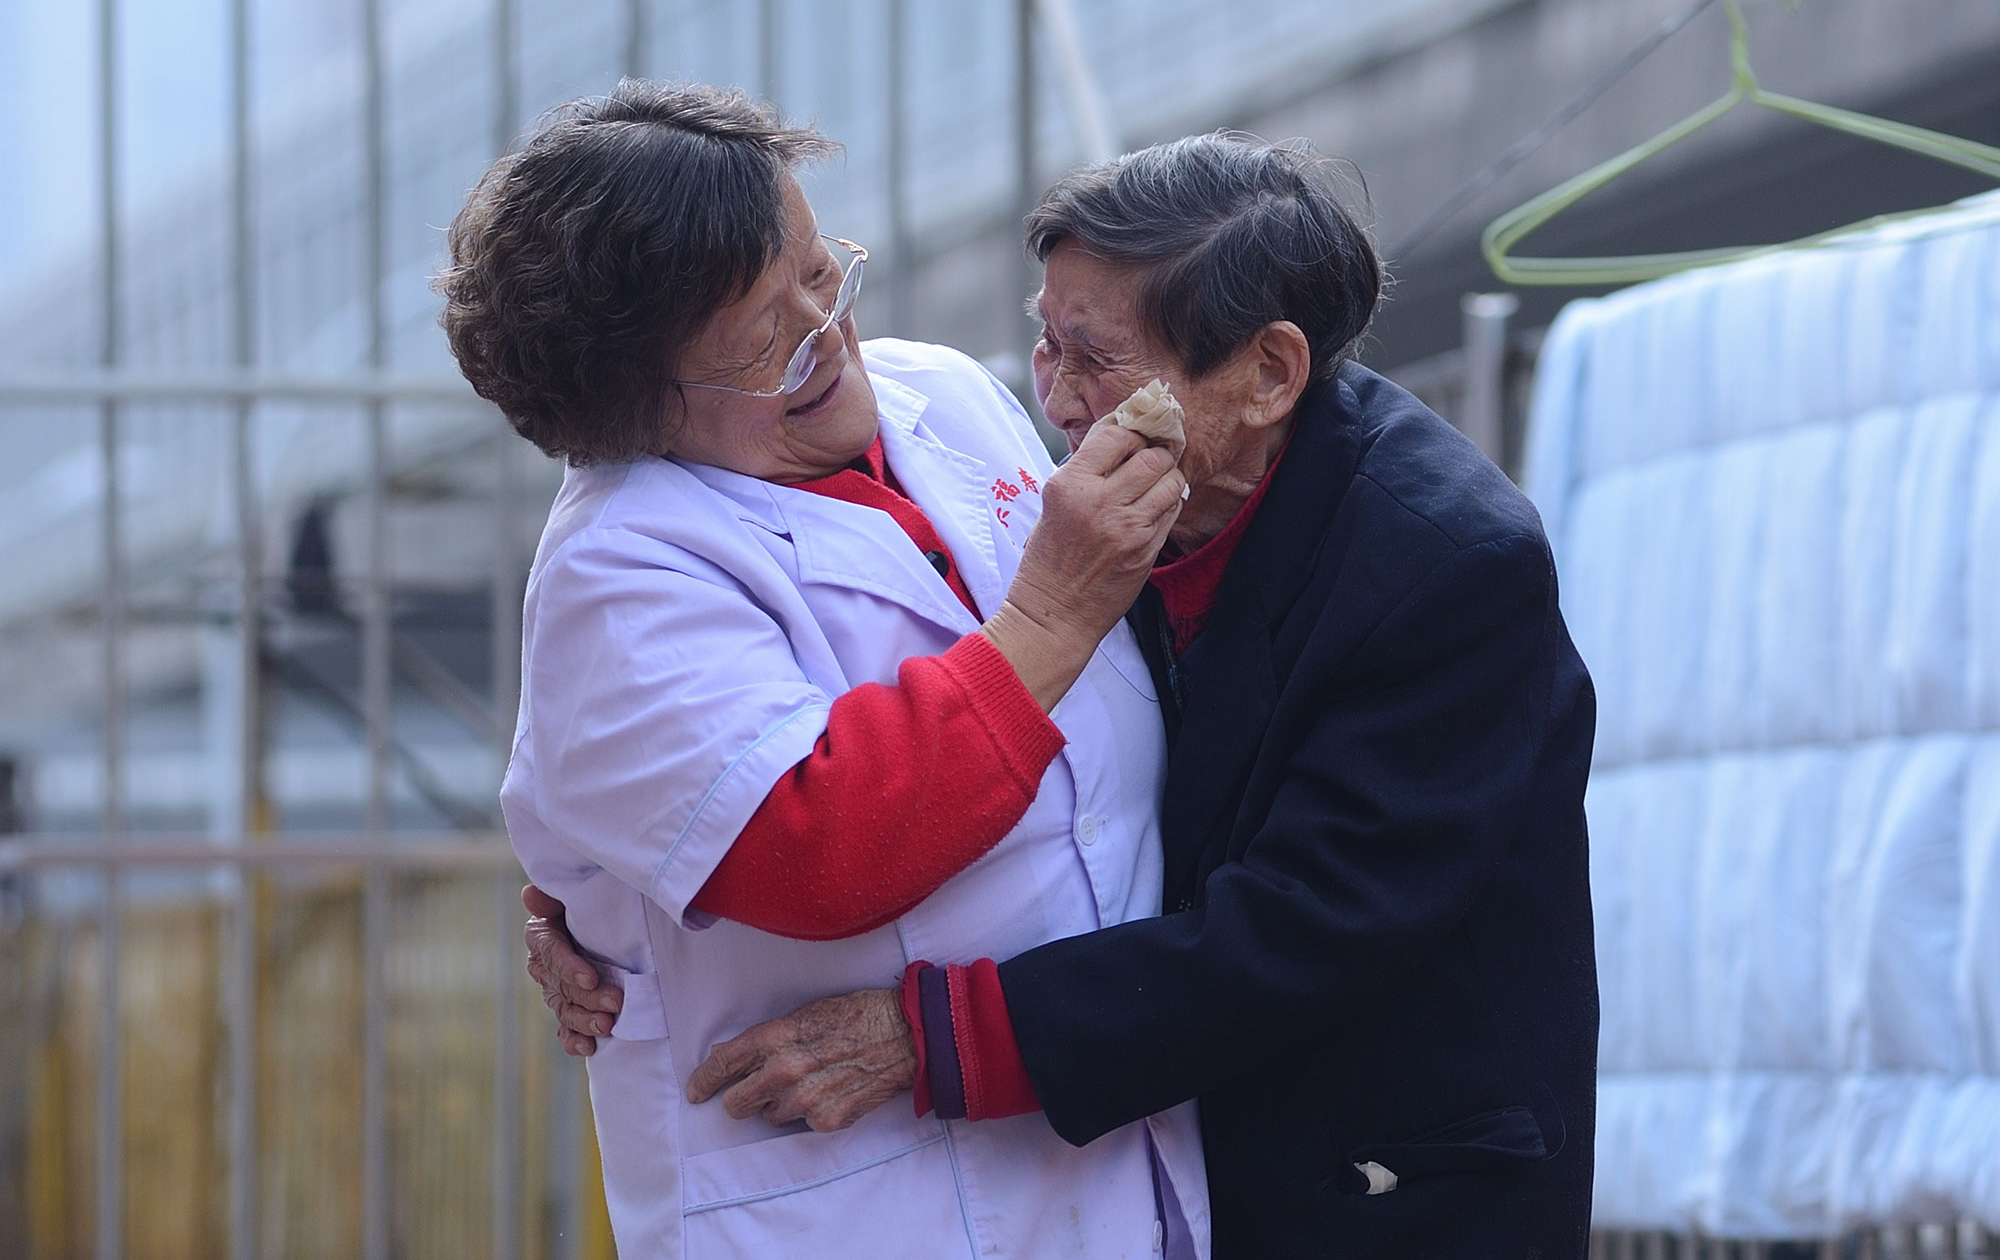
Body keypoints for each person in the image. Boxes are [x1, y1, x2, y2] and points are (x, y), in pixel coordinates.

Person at [533, 133, 1601, 1258]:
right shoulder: (1141, 495)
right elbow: (744, 776)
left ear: (1268, 373)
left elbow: (1308, 922)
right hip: (1145, 1167)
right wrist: (612, 879)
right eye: (1045, 339)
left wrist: (942, 1036)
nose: (1052, 396)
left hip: (1389, 1178)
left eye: (1094, 358)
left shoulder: (1444, 561)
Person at [440, 79, 1208, 1260]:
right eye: (764, 340)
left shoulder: (941, 395)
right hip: (871, 1211)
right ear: (627, 409)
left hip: (1111, 1158)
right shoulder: (618, 570)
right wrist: (1053, 613)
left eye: (819, 271)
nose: (826, 333)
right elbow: (816, 839)